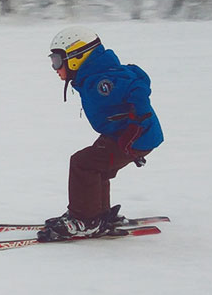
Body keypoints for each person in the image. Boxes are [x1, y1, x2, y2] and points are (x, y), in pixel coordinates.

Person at [40, 26, 164, 241]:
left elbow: (138, 88)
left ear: (77, 57)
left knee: (83, 163)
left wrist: (137, 125)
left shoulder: (101, 82)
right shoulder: (94, 76)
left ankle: (84, 220)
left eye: (57, 61)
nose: (54, 68)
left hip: (133, 137)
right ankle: (96, 213)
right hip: (123, 135)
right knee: (97, 165)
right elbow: (136, 75)